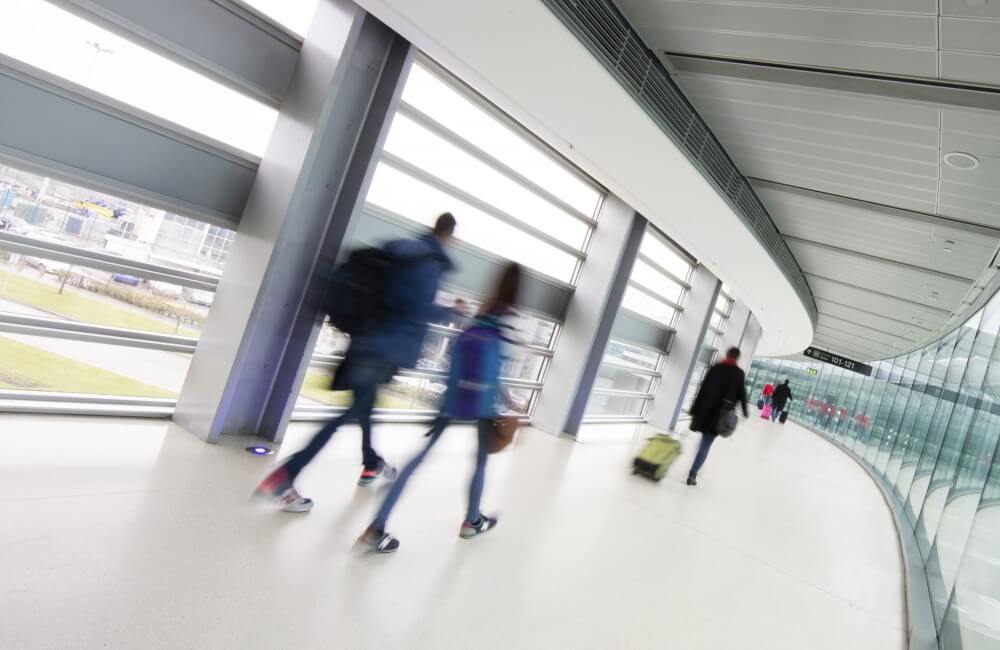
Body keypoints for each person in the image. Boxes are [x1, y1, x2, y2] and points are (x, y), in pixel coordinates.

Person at [254, 213, 459, 512]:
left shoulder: (403, 249)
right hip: (383, 348)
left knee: (364, 408)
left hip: (367, 339)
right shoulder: (428, 262)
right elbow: (413, 307)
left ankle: (370, 463)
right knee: (343, 416)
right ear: (450, 235)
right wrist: (449, 313)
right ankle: (285, 476)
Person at [358, 263, 521, 553]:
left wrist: (445, 402)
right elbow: (496, 368)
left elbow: (460, 355)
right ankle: (471, 522)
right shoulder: (507, 317)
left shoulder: (483, 310)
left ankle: (377, 524)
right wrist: (505, 401)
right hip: (483, 402)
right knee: (481, 461)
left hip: (454, 396)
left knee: (418, 459)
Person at [686, 347, 749, 486]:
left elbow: (703, 388)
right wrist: (745, 411)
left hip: (705, 411)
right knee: (706, 444)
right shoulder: (738, 374)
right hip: (720, 416)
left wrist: (694, 409)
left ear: (727, 354)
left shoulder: (716, 368)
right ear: (737, 358)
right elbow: (741, 394)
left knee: (704, 442)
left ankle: (696, 465)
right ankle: (693, 473)